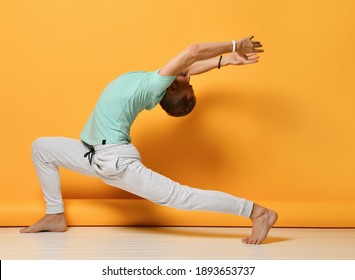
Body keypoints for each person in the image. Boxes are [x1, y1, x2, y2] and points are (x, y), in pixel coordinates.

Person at [20, 36, 278, 245]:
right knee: (42, 148)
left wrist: (234, 46)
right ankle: (54, 215)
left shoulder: (154, 85)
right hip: (92, 152)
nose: (189, 76)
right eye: (189, 80)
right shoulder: (155, 82)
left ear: (171, 88)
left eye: (188, 83)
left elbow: (193, 52)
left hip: (114, 161)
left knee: (181, 197)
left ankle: (257, 212)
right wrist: (224, 60)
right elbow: (188, 66)